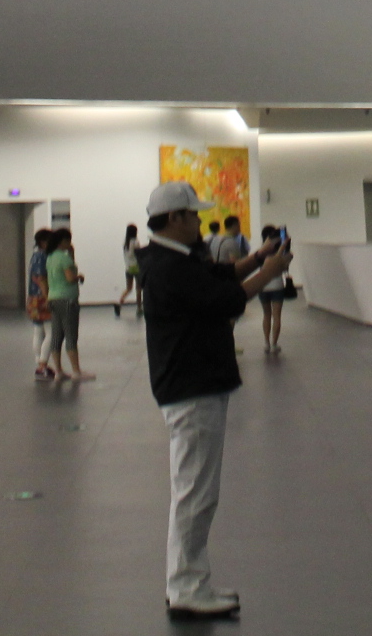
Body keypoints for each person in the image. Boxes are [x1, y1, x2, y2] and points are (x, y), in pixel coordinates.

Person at [139, 181, 293, 620]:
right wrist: (270, 269)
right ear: (174, 219)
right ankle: (187, 587)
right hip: (192, 388)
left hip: (192, 385)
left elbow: (218, 278)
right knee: (195, 494)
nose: (200, 222)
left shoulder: (173, 259)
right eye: (194, 215)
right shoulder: (171, 267)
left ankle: (187, 582)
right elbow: (225, 298)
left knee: (193, 492)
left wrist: (258, 258)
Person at [46, 228, 91, 382]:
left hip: (53, 299)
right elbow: (70, 278)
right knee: (71, 335)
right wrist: (79, 277)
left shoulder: (50, 257)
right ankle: (76, 371)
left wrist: (71, 254)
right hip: (67, 299)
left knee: (56, 336)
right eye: (68, 240)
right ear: (63, 241)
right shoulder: (64, 259)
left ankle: (58, 371)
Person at [256, 227, 290, 356]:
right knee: (276, 316)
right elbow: (285, 267)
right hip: (277, 286)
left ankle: (266, 342)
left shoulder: (260, 251)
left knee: (266, 314)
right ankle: (274, 344)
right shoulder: (282, 252)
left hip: (263, 286)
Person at [28, 228, 57, 380]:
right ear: (43, 242)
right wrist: (47, 297)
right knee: (51, 332)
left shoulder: (34, 256)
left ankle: (39, 363)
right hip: (42, 297)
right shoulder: (43, 256)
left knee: (38, 330)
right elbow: (41, 279)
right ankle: (42, 365)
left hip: (32, 298)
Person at [116, 224, 142, 319]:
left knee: (128, 288)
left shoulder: (125, 242)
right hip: (137, 267)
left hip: (128, 268)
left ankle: (119, 304)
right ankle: (139, 309)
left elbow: (128, 255)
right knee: (138, 289)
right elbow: (136, 254)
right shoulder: (135, 242)